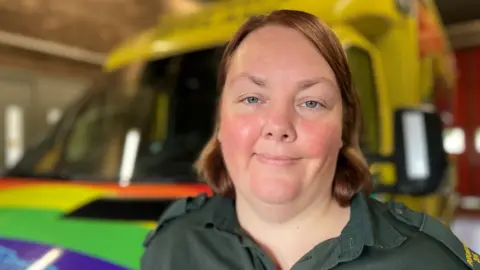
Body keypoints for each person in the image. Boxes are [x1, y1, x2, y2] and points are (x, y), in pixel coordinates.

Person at [141, 9, 479, 270]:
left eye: (311, 102)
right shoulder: (172, 249)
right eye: (252, 98)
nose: (278, 125)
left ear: (345, 128)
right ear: (220, 122)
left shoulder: (429, 261)